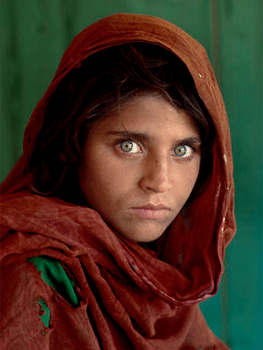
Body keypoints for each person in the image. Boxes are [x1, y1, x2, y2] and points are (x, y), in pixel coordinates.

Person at [0, 13, 235, 349]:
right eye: (129, 146)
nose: (160, 181)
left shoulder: (153, 274)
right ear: (73, 144)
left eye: (183, 150)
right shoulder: (30, 275)